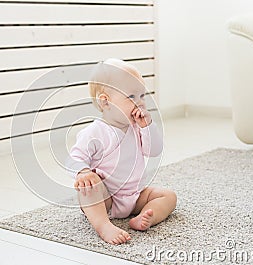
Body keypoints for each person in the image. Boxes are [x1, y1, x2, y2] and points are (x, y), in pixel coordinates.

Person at [65, 58, 177, 245]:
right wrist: (83, 172)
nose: (139, 103)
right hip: (106, 198)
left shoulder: (137, 127)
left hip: (135, 195)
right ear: (105, 102)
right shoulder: (94, 132)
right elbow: (74, 158)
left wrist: (148, 126)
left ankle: (145, 217)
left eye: (142, 96)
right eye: (131, 97)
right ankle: (103, 225)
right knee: (88, 191)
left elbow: (155, 150)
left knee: (169, 196)